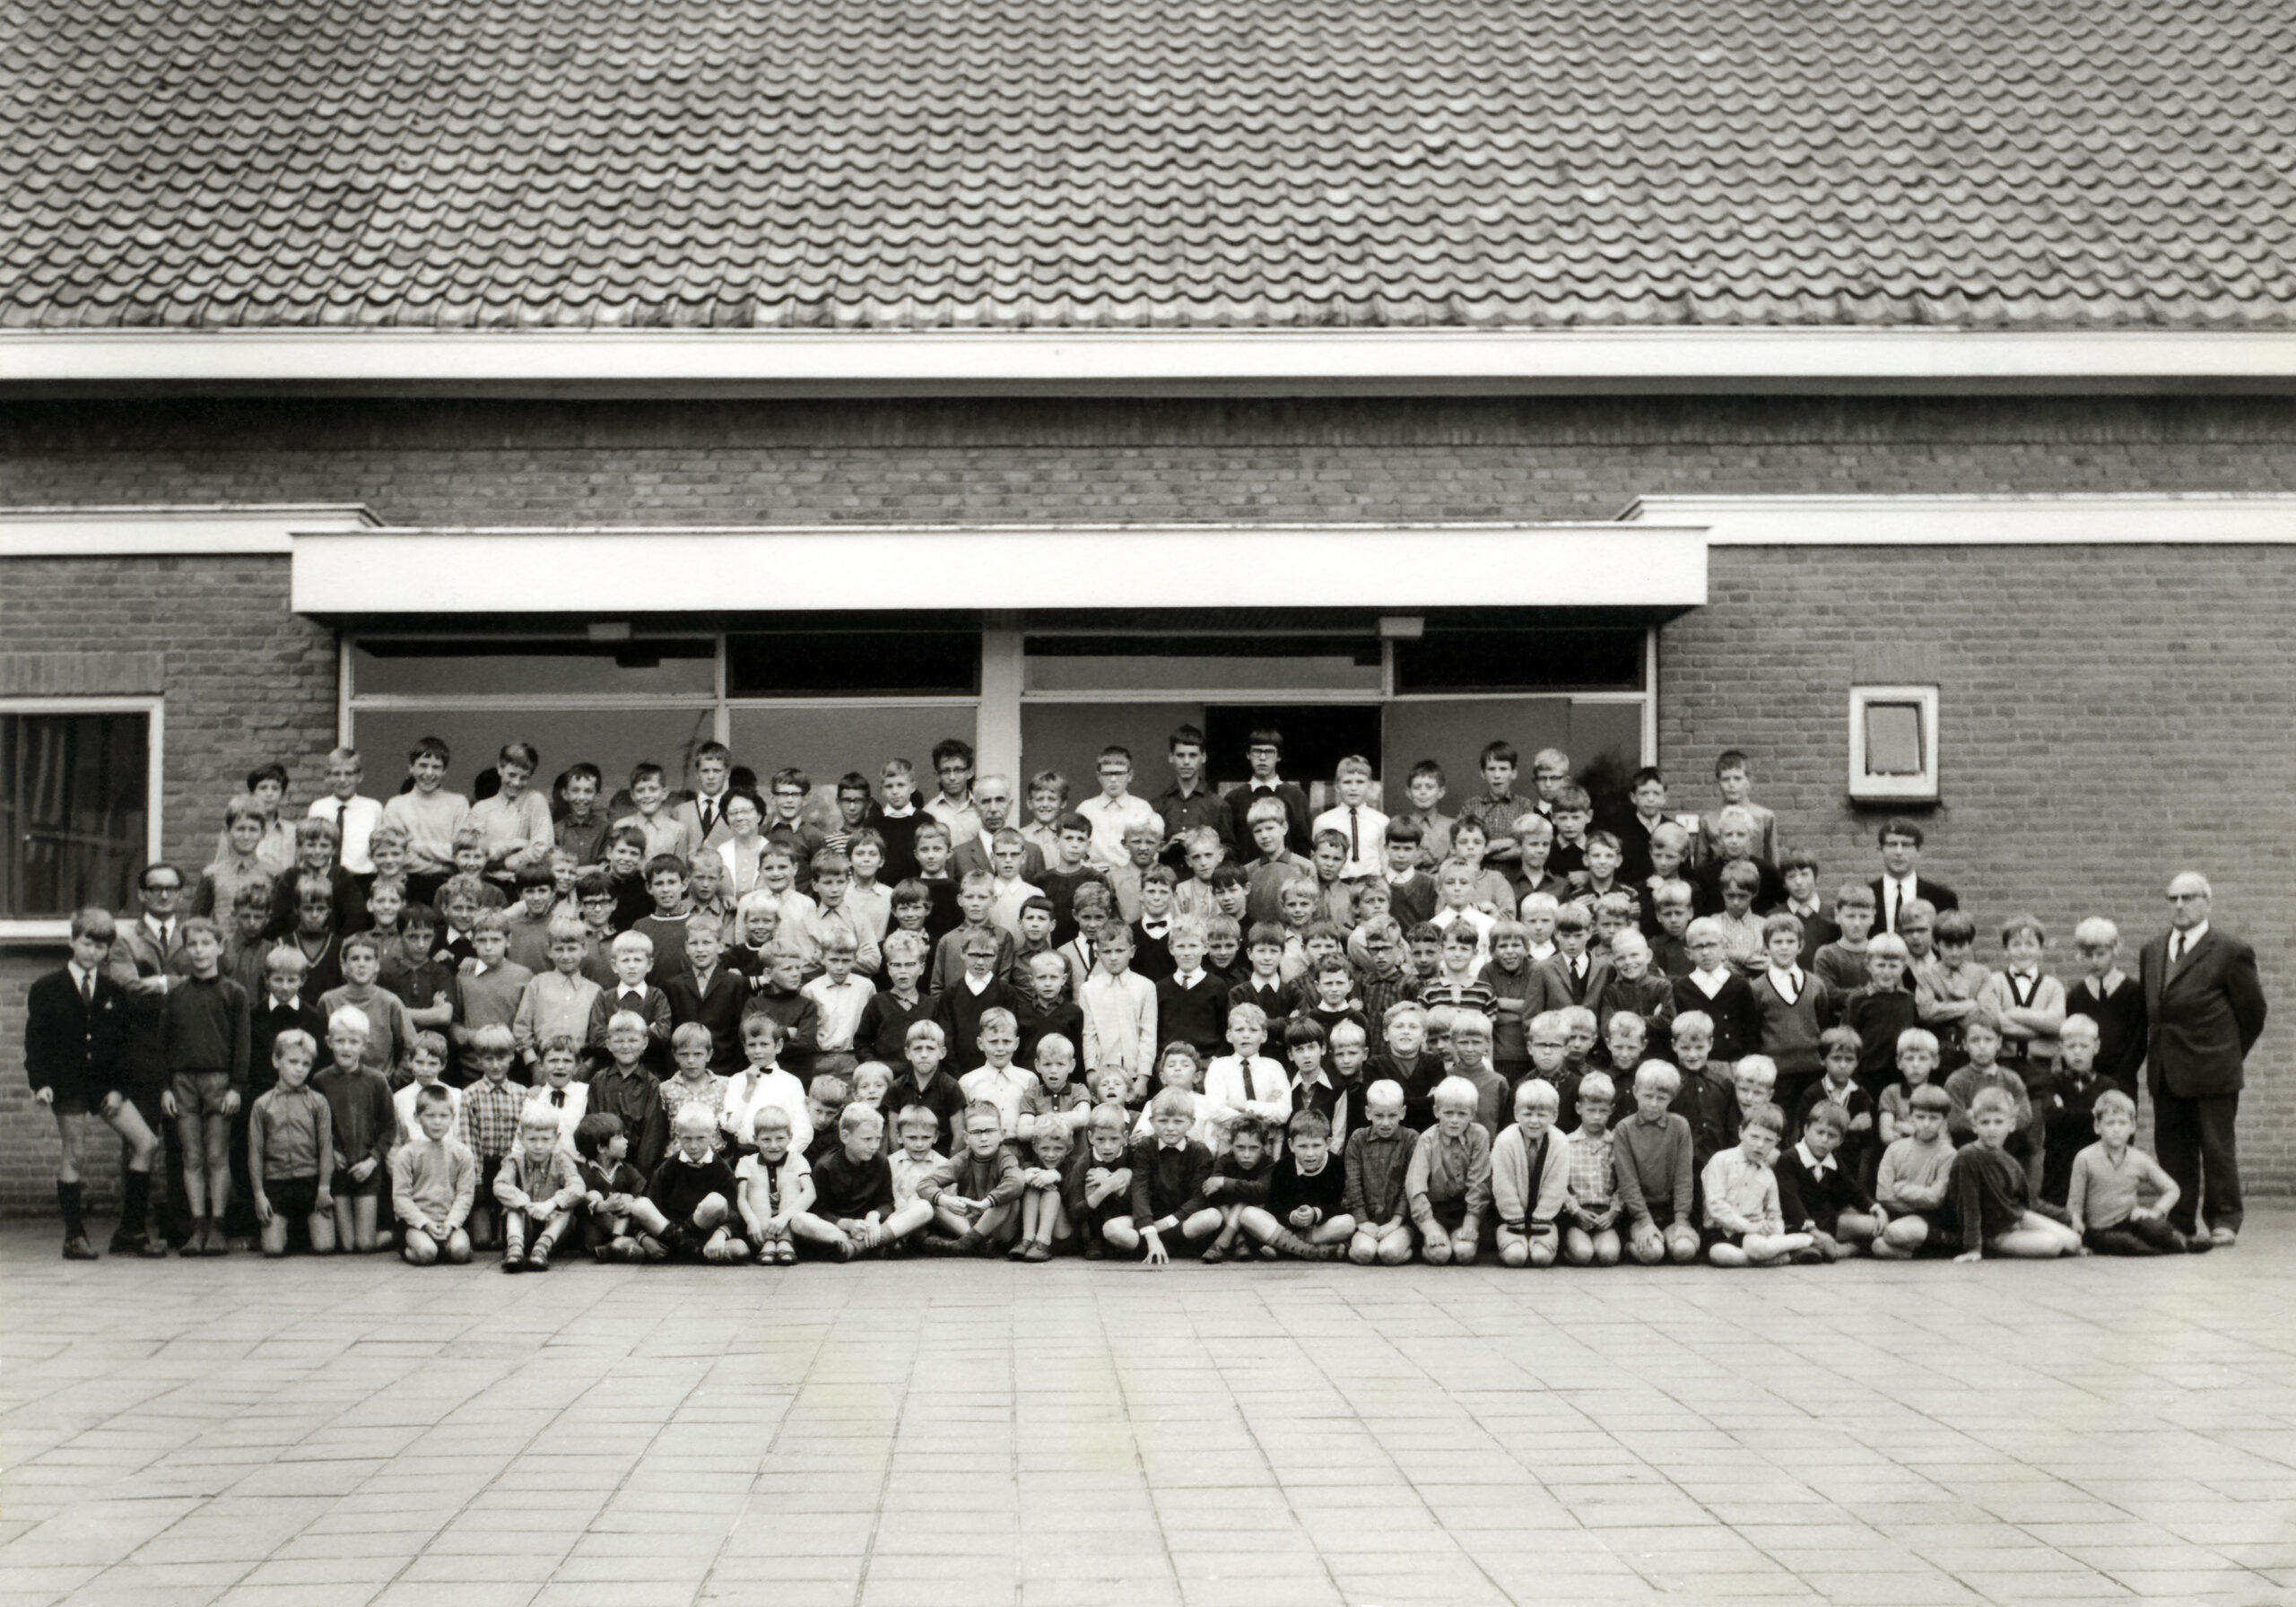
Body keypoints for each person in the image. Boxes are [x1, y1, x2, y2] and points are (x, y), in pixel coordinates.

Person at [27, 908, 164, 1259]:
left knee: (146, 1141)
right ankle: (75, 1236)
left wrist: (119, 1089)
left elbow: (122, 1046)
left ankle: (131, 1231)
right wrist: (40, 1083)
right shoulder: (47, 988)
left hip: (104, 1084)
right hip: (67, 1082)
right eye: (87, 943)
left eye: (101, 947)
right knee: (75, 1153)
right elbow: (37, 1042)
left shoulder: (114, 991)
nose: (93, 952)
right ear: (72, 941)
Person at [2139, 872, 2265, 1249]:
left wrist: (2226, 1054)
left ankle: (2224, 1218)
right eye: (2172, 898)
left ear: (2207, 902)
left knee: (2216, 1149)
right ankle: (2180, 1222)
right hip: (2166, 1069)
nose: (2179, 905)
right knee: (2173, 1150)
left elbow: (2253, 1012)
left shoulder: (2230, 950)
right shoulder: (2153, 951)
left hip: (2213, 1070)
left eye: (2189, 897)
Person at [1950, 1088, 2081, 1262]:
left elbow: (2030, 1201)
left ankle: (2025, 1238)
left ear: (2011, 1124)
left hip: (2017, 1217)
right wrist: (1973, 1247)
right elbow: (1969, 1205)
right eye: (1985, 1122)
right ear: (1974, 1125)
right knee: (2053, 1244)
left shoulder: (2010, 1161)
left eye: (1998, 1122)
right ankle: (1995, 1247)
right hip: (1994, 1232)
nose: (1991, 1129)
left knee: (2074, 1242)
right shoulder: (1968, 1156)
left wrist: (2068, 1216)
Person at [1104, 1087, 1220, 1264]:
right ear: (1151, 1121)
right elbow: (1139, 1191)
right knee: (1112, 1228)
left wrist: (1162, 1226)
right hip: (1148, 1217)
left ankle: (1154, 1246)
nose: (1170, 1128)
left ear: (1191, 1122)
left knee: (1212, 1217)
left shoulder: (1199, 1152)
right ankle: (1162, 1245)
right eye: (1163, 1121)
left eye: (1178, 1122)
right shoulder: (1145, 1148)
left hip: (1181, 1220)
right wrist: (1150, 1232)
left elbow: (1198, 1199)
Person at [248, 1029, 336, 1257]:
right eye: (293, 1061)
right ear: (277, 1061)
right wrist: (259, 1194)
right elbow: (255, 1151)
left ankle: (302, 1228)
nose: (299, 1069)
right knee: (273, 1250)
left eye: (306, 1064)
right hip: (277, 1183)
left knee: (325, 1246)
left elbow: (326, 1146)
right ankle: (289, 1229)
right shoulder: (262, 1104)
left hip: (310, 1182)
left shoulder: (317, 1102)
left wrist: (324, 1188)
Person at [312, 1004, 393, 1255]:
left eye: (353, 1041)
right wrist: (330, 1152)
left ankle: (397, 1233)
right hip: (337, 1170)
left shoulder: (376, 1080)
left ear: (364, 1044)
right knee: (347, 1246)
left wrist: (373, 1160)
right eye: (340, 1041)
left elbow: (390, 1126)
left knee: (365, 1244)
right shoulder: (320, 1080)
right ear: (329, 1042)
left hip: (367, 1170)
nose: (346, 1047)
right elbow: (315, 1125)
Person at [1699, 1102, 1813, 1267]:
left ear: (1776, 1143)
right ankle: (1781, 1255)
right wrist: (1748, 1226)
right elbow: (1715, 1205)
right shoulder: (1721, 1160)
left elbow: (1774, 1215)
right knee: (1720, 1255)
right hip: (1720, 1232)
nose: (1760, 1145)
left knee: (1756, 1246)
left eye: (1768, 1140)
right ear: (1741, 1133)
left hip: (1753, 1235)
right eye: (1754, 1137)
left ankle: (1787, 1243)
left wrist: (1775, 1233)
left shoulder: (1768, 1175)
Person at [1612, 1061, 1700, 1265]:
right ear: (1635, 1092)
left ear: (1672, 1098)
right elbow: (1628, 1182)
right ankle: (1628, 1245)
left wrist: (1681, 1219)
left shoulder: (1680, 1126)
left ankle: (1669, 1238)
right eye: (1648, 1096)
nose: (1653, 1104)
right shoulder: (1624, 1129)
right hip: (1638, 1213)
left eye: (1661, 1098)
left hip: (1670, 1209)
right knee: (1652, 1254)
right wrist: (1644, 1220)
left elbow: (1683, 1177)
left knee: (1684, 1251)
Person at [1238, 1108, 1352, 1260]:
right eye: (1302, 1146)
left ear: (1328, 1143)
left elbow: (1340, 1206)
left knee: (1347, 1222)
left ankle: (1285, 1249)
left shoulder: (1336, 1166)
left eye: (1316, 1146)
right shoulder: (1282, 1167)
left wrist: (1316, 1214)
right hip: (1287, 1228)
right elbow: (1274, 1208)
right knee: (1248, 1215)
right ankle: (1311, 1251)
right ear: (1291, 1145)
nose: (1310, 1153)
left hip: (1317, 1230)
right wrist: (1291, 1217)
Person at [1776, 1101, 1884, 1259]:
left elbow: (1853, 1190)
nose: (1824, 1140)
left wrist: (1876, 1208)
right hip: (1796, 1223)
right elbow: (1790, 1200)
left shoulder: (1832, 1159)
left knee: (1877, 1227)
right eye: (1820, 1132)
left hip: (1827, 1222)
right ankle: (1829, 1249)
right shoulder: (1789, 1159)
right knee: (1814, 1248)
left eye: (1832, 1135)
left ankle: (1837, 1248)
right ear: (1806, 1129)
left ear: (1840, 1141)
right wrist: (1813, 1231)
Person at [1405, 1075, 1491, 1264]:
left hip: (1465, 1210)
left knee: (1464, 1253)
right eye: (1448, 1113)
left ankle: (1454, 1239)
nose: (1454, 1120)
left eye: (1462, 1114)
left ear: (1473, 1114)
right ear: (1436, 1111)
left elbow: (1479, 1182)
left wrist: (1472, 1221)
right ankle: (1425, 1242)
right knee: (1440, 1255)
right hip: (1435, 1210)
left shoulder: (1479, 1136)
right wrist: (1429, 1226)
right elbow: (1415, 1187)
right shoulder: (1427, 1139)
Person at [646, 1104, 747, 1263]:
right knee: (640, 1205)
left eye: (700, 1138)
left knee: (717, 1204)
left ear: (712, 1136)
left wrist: (720, 1235)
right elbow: (652, 1203)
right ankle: (692, 1251)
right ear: (678, 1135)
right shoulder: (668, 1168)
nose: (693, 1146)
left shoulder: (721, 1169)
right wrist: (645, 1239)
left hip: (707, 1234)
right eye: (687, 1139)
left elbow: (734, 1212)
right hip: (669, 1230)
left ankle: (683, 1251)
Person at [390, 1083, 476, 1265]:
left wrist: (451, 1223)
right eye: (430, 1116)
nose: (437, 1122)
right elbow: (401, 1198)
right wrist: (424, 1223)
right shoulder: (407, 1154)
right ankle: (411, 1248)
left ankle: (447, 1247)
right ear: (417, 1117)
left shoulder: (462, 1153)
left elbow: (465, 1195)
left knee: (461, 1252)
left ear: (452, 1118)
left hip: (450, 1222)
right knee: (427, 1253)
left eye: (443, 1116)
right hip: (418, 1224)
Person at [2064, 916, 2146, 1102]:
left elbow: (2138, 1043)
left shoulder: (2132, 992)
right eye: (2088, 955)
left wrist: (2117, 1081)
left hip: (2122, 1083)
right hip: (2084, 1084)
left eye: (2101, 954)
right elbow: (2069, 1041)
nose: (2094, 961)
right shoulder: (2077, 996)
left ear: (2114, 950)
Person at [1872, 1082, 1957, 1259]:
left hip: (1928, 1218)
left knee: (1893, 1233)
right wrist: (1917, 1198)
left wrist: (1901, 1188)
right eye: (1920, 1117)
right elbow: (1884, 1194)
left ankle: (1943, 1246)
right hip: (1897, 1212)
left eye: (1933, 1118)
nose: (1926, 1124)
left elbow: (1935, 1199)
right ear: (1910, 1117)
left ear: (1944, 1121)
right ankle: (1917, 1251)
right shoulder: (1895, 1148)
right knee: (1874, 1242)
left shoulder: (1948, 1153)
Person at [492, 1107, 584, 1271]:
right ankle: (515, 1249)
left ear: (556, 1138)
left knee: (565, 1208)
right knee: (513, 1207)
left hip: (553, 1229)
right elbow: (500, 1185)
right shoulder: (513, 1161)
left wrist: (552, 1203)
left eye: (545, 1139)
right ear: (521, 1138)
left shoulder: (562, 1160)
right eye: (532, 1139)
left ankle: (542, 1248)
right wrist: (525, 1203)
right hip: (524, 1225)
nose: (539, 1146)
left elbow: (578, 1187)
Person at [1491, 1078, 1569, 1268]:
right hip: (1509, 1219)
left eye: (1542, 1115)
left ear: (1554, 1115)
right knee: (1515, 1257)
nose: (1534, 1121)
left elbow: (1556, 1186)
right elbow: (1503, 1185)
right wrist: (1515, 1221)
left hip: (1544, 1220)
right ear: (1516, 1113)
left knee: (1541, 1258)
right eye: (1528, 1114)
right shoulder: (1505, 1141)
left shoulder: (1560, 1142)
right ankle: (1516, 1242)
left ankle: (1548, 1242)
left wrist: (1541, 1222)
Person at [734, 1106, 811, 1265]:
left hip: (788, 1222)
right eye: (766, 1139)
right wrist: (751, 1221)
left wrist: (784, 1217)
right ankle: (768, 1242)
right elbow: (741, 1199)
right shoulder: (746, 1162)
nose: (774, 1145)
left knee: (791, 1178)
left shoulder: (797, 1160)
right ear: (755, 1139)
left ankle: (785, 1241)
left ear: (790, 1137)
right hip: (758, 1227)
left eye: (780, 1138)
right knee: (756, 1180)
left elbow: (810, 1193)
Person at [1223, 728, 1312, 859]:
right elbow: (1231, 847)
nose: (1262, 758)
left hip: (1287, 875)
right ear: (1248, 754)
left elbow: (1303, 847)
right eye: (1257, 752)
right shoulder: (1233, 799)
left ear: (1279, 756)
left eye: (1269, 752)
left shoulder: (1296, 797)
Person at [1869, 817, 1957, 936]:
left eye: (1906, 845)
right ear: (1880, 851)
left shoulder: (1943, 898)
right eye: (1892, 844)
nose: (1899, 852)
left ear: (1919, 851)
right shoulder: (1868, 895)